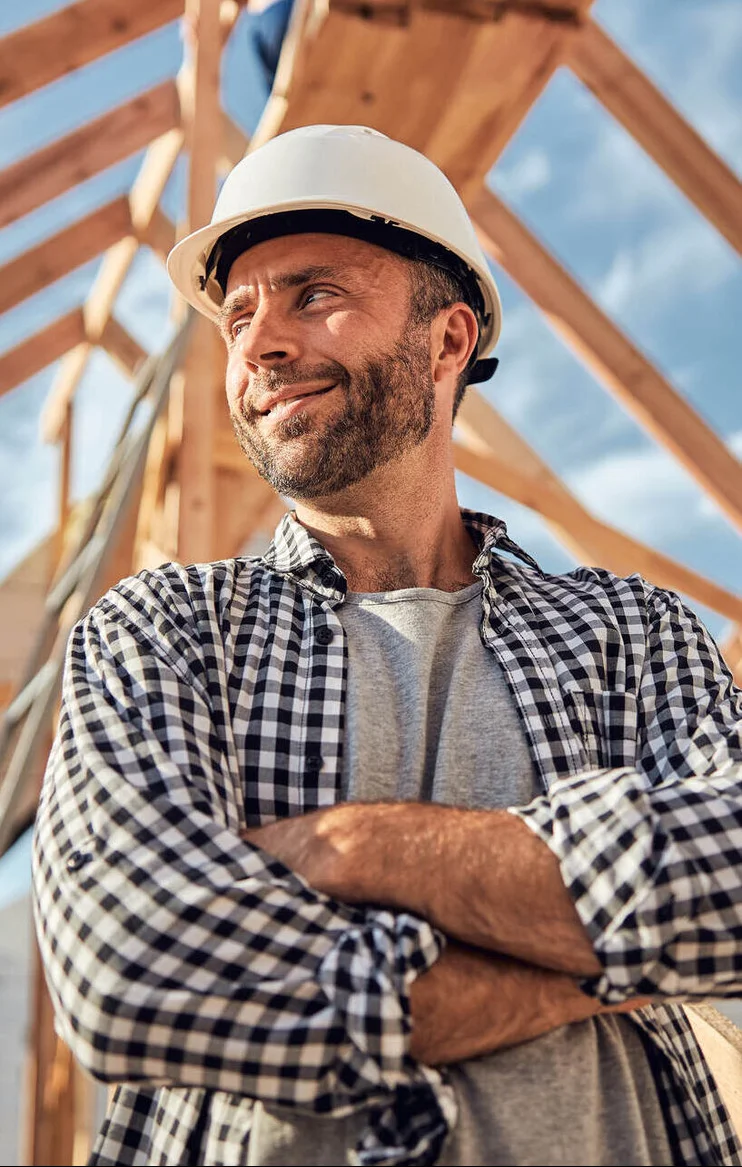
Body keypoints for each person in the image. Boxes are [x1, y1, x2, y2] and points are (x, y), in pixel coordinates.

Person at [32, 125, 742, 1167]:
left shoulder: (632, 635)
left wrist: (349, 849)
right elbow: (134, 973)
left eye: (314, 294)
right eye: (239, 314)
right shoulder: (163, 635)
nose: (260, 343)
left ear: (447, 342)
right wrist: (620, 958)